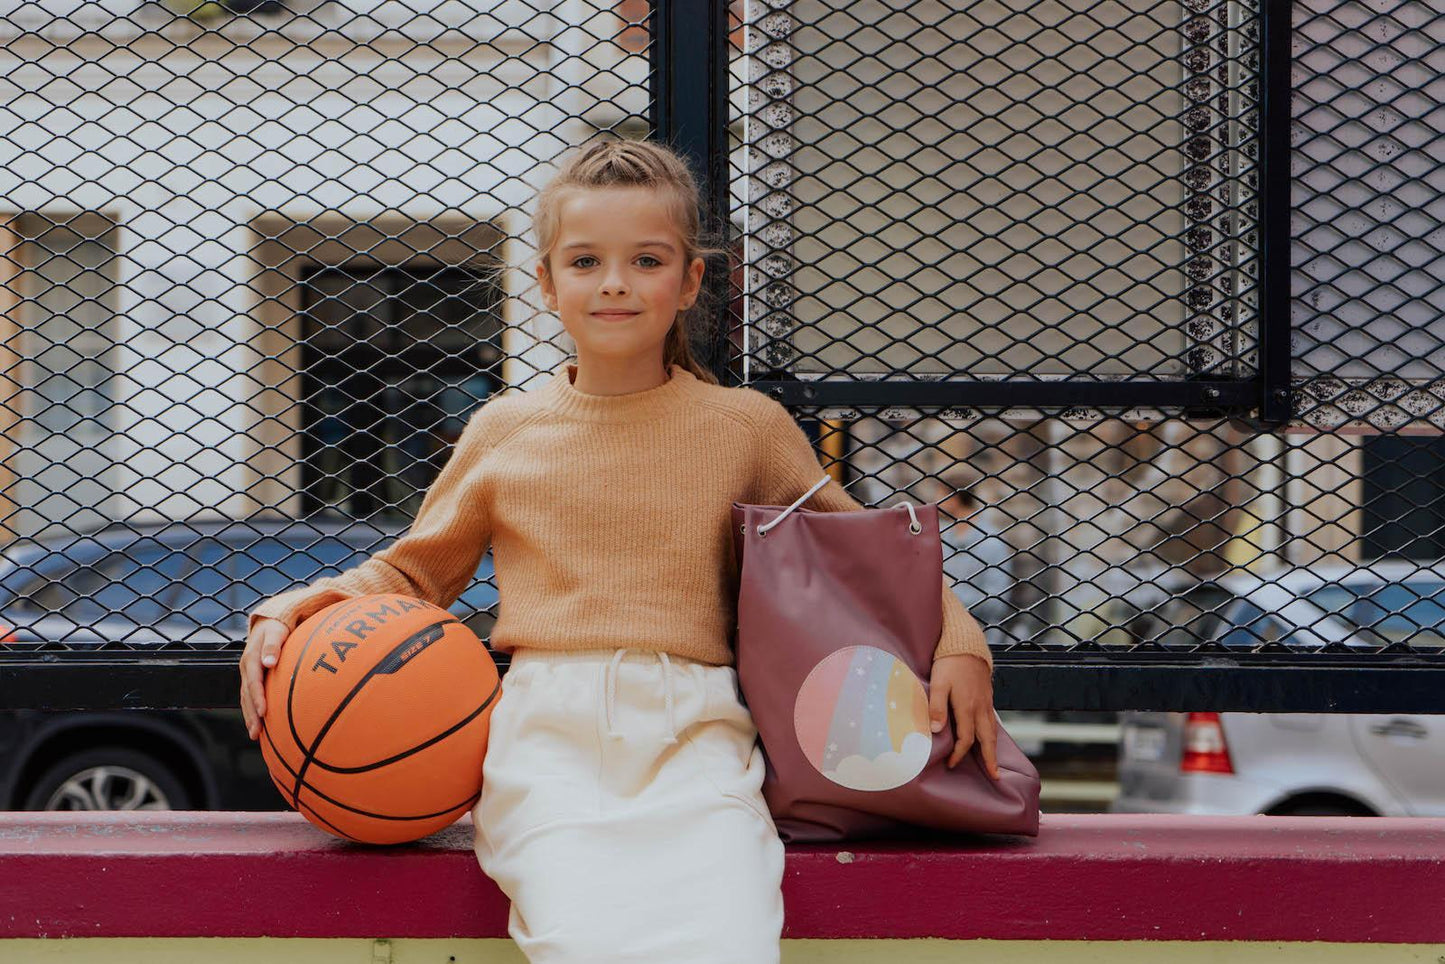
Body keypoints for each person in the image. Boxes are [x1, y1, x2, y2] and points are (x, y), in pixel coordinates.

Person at [237, 138, 999, 963]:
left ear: (689, 281)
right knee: (577, 945)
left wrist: (961, 644)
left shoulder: (746, 427)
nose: (613, 282)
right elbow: (415, 573)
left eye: (645, 259)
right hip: (545, 745)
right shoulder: (503, 430)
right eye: (585, 260)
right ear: (546, 283)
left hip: (698, 739)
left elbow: (868, 556)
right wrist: (300, 602)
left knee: (731, 944)